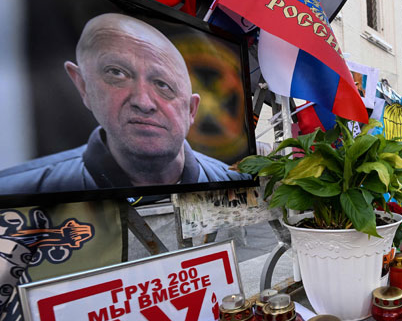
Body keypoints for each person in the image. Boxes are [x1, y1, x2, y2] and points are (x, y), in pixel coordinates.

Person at [0, 13, 248, 194]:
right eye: (117, 73)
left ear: (192, 110)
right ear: (82, 85)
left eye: (163, 85)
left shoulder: (235, 180)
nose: (143, 101)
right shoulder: (16, 190)